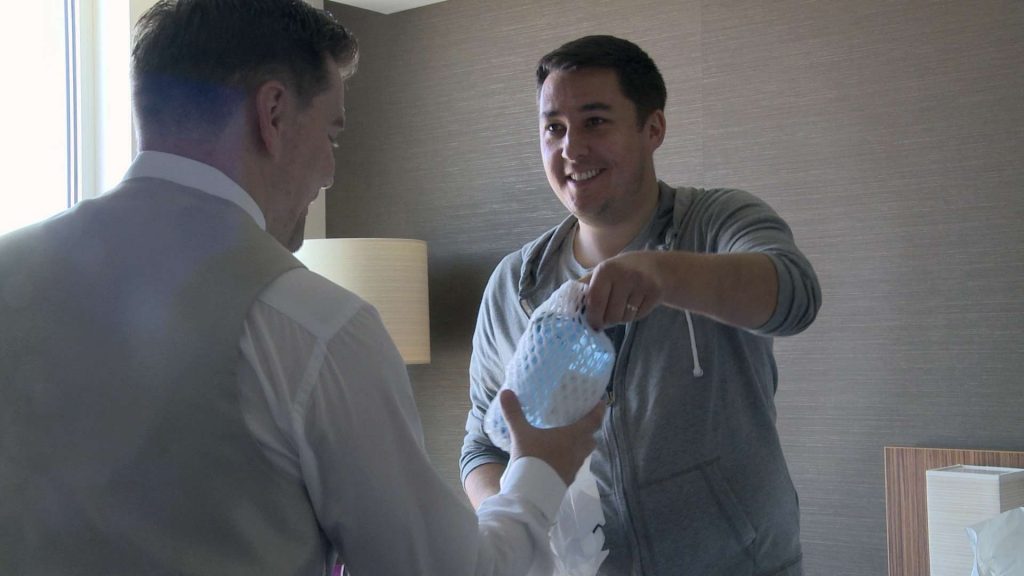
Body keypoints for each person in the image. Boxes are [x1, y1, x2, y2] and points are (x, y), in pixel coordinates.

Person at [0, 2, 604, 575]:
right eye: (331, 135)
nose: (330, 171)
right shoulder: (314, 327)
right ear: (273, 114)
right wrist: (538, 470)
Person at [461, 35, 821, 575]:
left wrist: (663, 273)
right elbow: (482, 446)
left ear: (653, 129)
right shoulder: (514, 284)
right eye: (554, 128)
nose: (571, 148)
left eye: (595, 122)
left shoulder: (718, 222)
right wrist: (521, 532)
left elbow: (796, 296)